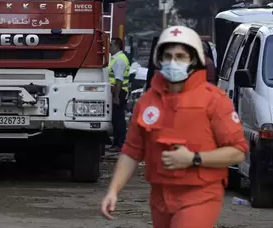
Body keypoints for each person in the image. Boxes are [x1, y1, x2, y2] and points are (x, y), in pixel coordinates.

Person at [101, 26, 248, 228]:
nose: (173, 62)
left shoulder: (214, 100)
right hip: (160, 195)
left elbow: (237, 152)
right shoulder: (147, 102)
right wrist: (113, 191)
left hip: (200, 193)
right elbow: (132, 151)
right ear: (159, 59)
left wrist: (194, 158)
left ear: (193, 60)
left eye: (180, 56)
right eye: (167, 56)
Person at [108, 37, 131, 153]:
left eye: (111, 45)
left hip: (119, 91)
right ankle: (116, 143)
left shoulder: (119, 60)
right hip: (117, 91)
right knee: (116, 118)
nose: (109, 47)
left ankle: (120, 144)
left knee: (118, 119)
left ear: (117, 46)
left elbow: (119, 79)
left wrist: (116, 96)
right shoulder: (116, 59)